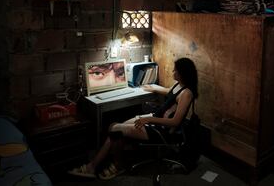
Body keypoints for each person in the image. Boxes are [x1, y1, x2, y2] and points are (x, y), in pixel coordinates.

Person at [68, 57, 198, 179]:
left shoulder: (187, 94)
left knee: (116, 130)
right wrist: (151, 87)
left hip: (162, 130)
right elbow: (169, 92)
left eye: (175, 70)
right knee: (114, 126)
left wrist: (148, 120)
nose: (172, 72)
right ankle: (110, 162)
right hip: (155, 119)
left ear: (182, 73)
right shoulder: (178, 85)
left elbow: (175, 122)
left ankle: (107, 166)